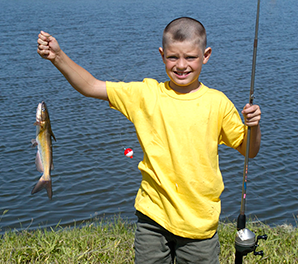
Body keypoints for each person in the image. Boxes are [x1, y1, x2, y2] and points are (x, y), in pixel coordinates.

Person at [37, 17, 261, 264]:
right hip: (152, 217)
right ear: (162, 55)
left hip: (200, 222)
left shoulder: (218, 103)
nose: (181, 65)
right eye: (173, 57)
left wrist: (254, 126)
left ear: (206, 55)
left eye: (190, 57)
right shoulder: (145, 94)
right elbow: (91, 86)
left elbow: (249, 150)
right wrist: (57, 57)